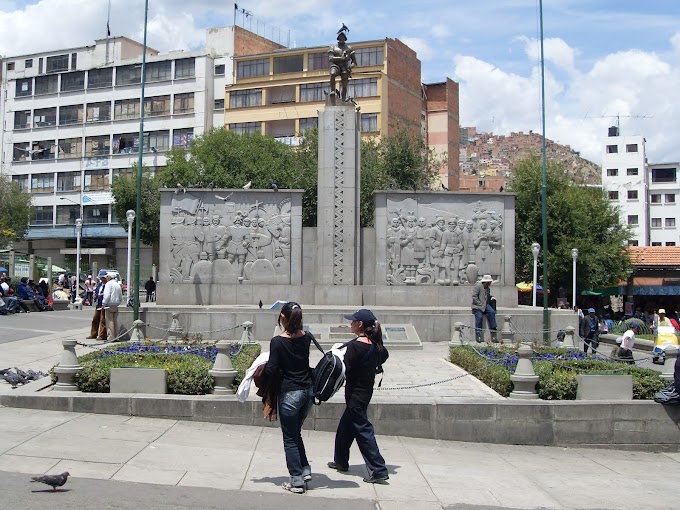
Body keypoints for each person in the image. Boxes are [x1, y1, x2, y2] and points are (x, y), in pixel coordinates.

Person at [329, 308, 390, 484]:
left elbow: (345, 369)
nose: (351, 324)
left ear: (360, 325)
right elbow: (384, 356)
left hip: (355, 395)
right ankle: (340, 460)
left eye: (353, 321)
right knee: (345, 427)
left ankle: (378, 469)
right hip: (365, 392)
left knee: (363, 431)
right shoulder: (376, 346)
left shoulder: (355, 346)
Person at [264, 301, 314, 494]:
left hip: (290, 393)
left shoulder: (278, 341)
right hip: (307, 392)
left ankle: (297, 480)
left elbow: (272, 369)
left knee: (290, 438)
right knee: (295, 432)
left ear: (282, 318)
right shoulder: (306, 337)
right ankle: (305, 469)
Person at [328, 25, 356, 101]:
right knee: (333, 74)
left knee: (344, 83)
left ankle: (343, 98)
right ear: (338, 38)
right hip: (336, 65)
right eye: (340, 37)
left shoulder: (349, 48)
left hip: (345, 67)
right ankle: (333, 90)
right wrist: (342, 58)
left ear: (345, 39)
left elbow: (354, 62)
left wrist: (350, 66)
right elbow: (331, 58)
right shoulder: (333, 47)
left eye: (343, 37)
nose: (341, 39)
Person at [471, 274, 497, 343]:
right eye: (489, 282)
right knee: (479, 317)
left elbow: (486, 297)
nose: (490, 283)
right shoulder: (478, 286)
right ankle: (478, 334)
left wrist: (491, 297)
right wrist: (480, 304)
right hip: (477, 306)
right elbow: (474, 297)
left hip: (485, 304)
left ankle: (493, 331)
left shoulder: (488, 289)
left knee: (492, 312)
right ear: (486, 282)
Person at [102, 273, 123, 341]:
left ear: (110, 277)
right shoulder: (117, 284)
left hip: (109, 304)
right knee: (115, 321)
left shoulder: (108, 284)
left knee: (109, 321)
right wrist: (118, 303)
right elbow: (120, 297)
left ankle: (111, 337)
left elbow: (107, 295)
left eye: (107, 276)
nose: (106, 278)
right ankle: (117, 336)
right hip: (116, 305)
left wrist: (104, 303)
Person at [88, 271, 108, 340]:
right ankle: (93, 334)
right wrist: (95, 294)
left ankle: (102, 335)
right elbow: (96, 291)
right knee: (95, 319)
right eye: (101, 278)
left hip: (104, 304)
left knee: (103, 320)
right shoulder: (100, 284)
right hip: (99, 303)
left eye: (103, 277)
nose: (102, 279)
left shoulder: (107, 285)